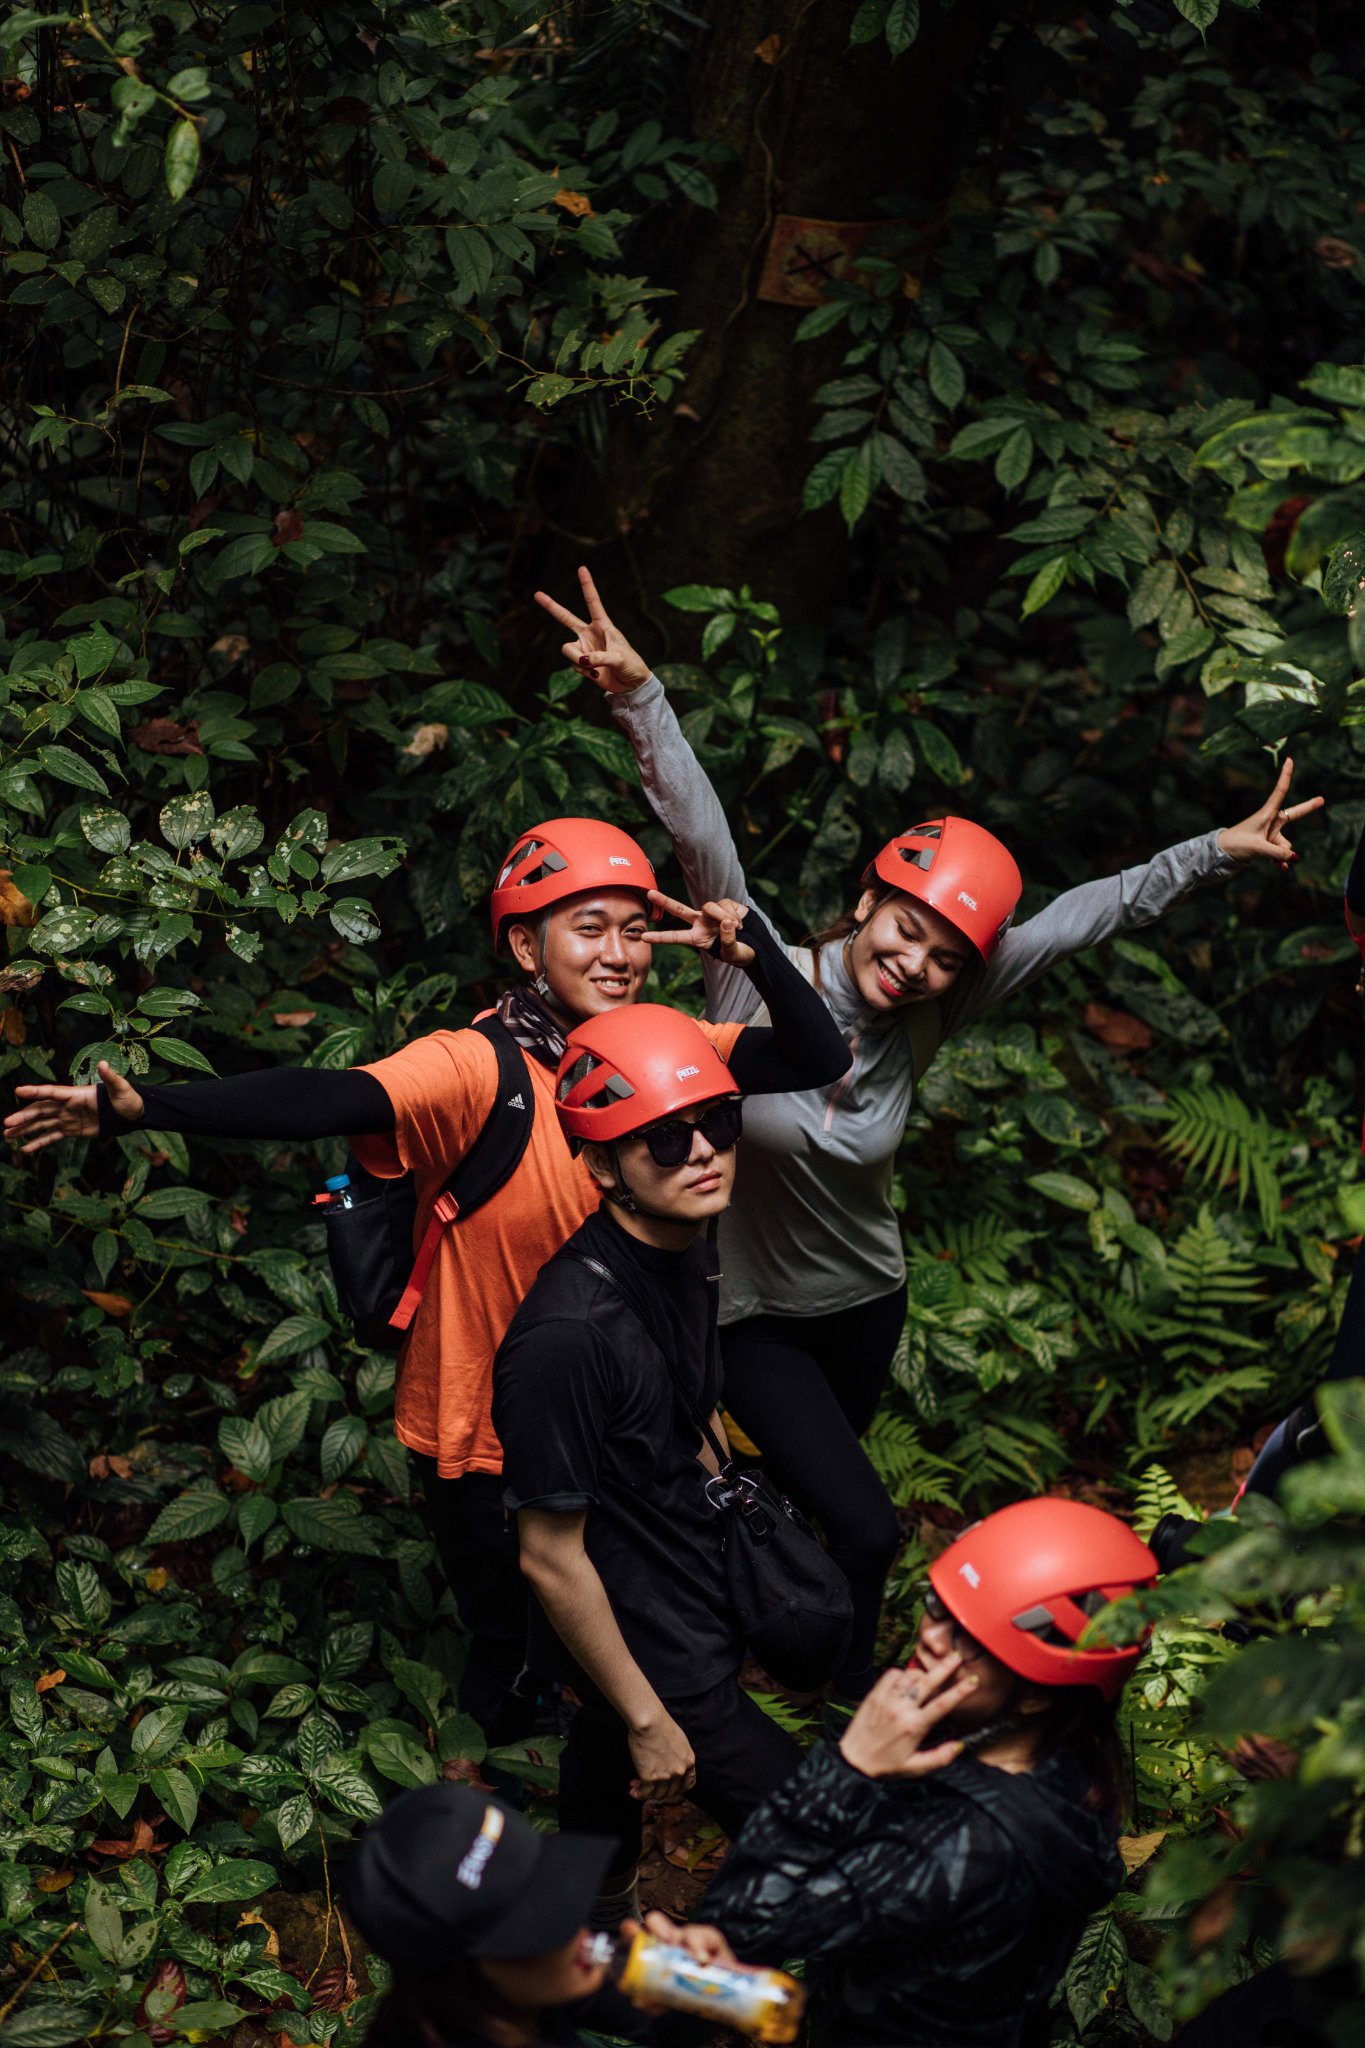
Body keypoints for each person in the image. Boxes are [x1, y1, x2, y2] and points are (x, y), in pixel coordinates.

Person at [534, 566, 1324, 1723]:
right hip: (747, 1312)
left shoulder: (936, 1011)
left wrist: (1213, 847)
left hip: (864, 1301)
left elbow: (1078, 914)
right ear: (869, 900)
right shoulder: (750, 976)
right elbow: (700, 836)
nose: (917, 962)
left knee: (811, 1504)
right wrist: (640, 693)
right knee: (864, 1520)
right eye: (907, 930)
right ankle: (845, 1693)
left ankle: (775, 1616)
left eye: (949, 954)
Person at [4, 818, 849, 1749]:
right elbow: (331, 1096)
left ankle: (597, 1806)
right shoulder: (472, 1067)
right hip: (485, 1422)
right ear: (526, 946)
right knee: (513, 1639)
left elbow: (817, 1058)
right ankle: (479, 1805)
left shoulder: (662, 1049)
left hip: (630, 1416)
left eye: (632, 929)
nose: (619, 955)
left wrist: (756, 950)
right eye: (588, 928)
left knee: (628, 1644)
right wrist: (145, 1109)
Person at [493, 1004, 833, 1924]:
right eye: (662, 1141)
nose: (702, 1154)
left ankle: (580, 1939)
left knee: (598, 1775)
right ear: (602, 1166)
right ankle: (714, 2002)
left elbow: (680, 1410)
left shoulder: (688, 1238)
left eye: (715, 1124)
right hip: (655, 1643)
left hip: (687, 1576)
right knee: (821, 1844)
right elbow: (548, 1555)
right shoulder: (564, 1338)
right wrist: (649, 1715)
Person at [699, 1496, 1157, 2048]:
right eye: (939, 1606)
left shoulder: (963, 1847)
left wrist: (848, 1768)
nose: (932, 1636)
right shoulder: (1075, 1767)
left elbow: (738, 1927)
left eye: (971, 1641)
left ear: (1039, 1699)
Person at [343, 1779, 740, 2048]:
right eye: (538, 1924)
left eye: (549, 1886)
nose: (577, 1929)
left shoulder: (522, 1991)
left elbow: (650, 2022)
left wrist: (697, 1992)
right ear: (463, 1974)